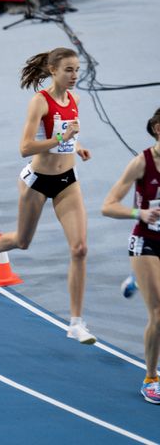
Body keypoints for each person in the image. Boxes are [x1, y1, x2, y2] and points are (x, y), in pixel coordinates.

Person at [0, 47, 96, 344]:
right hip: (37, 181)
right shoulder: (39, 103)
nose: (74, 76)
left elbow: (69, 131)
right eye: (68, 70)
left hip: (68, 181)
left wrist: (76, 145)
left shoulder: (75, 100)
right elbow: (25, 147)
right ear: (53, 70)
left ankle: (76, 322)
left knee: (80, 248)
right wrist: (61, 139)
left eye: (77, 70)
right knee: (22, 241)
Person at [102, 109, 160, 404]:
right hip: (146, 241)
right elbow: (108, 205)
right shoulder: (142, 163)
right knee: (159, 313)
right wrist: (142, 212)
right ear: (158, 129)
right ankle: (151, 378)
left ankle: (140, 280)